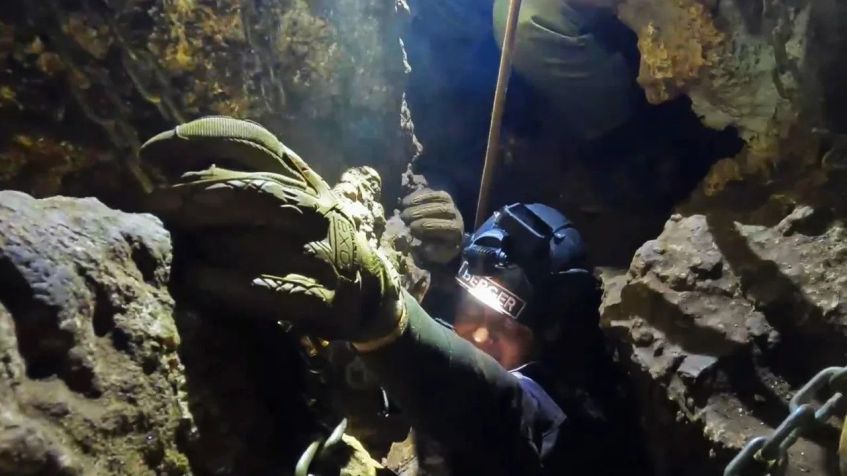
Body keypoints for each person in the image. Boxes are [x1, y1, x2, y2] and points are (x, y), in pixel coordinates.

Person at [140, 116, 649, 475]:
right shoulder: (457, 338)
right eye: (472, 310)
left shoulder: (581, 421)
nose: (476, 335)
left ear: (550, 339)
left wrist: (383, 316)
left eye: (505, 330)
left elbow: (498, 409)